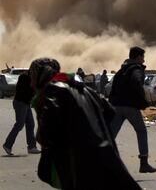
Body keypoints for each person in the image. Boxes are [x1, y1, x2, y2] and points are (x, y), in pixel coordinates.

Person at [29, 57, 141, 189]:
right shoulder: (84, 89)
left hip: (80, 166)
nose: (31, 83)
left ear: (39, 76)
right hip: (107, 159)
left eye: (32, 77)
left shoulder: (52, 90)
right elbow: (109, 112)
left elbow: (46, 134)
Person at [110, 46, 156, 173]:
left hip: (117, 106)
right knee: (141, 131)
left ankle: (99, 160)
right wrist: (141, 100)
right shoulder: (136, 69)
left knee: (110, 135)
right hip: (130, 106)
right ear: (138, 57)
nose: (144, 59)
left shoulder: (122, 70)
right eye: (143, 57)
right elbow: (136, 82)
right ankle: (144, 163)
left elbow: (112, 88)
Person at [3, 72, 40, 156]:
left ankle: (31, 147)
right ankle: (7, 145)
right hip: (21, 103)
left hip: (26, 103)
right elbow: (27, 91)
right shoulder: (24, 77)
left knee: (30, 124)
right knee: (19, 124)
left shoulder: (31, 79)